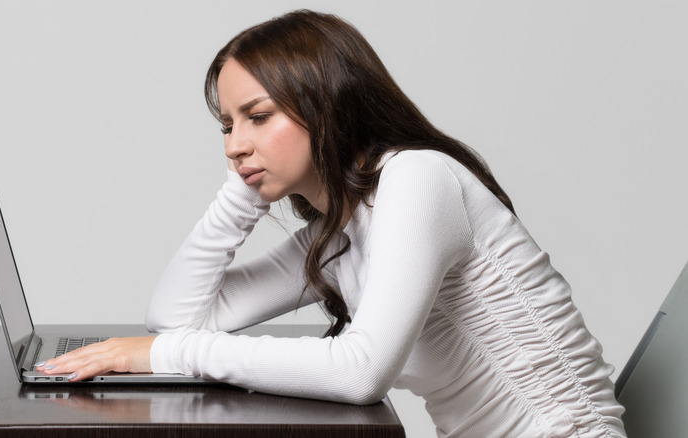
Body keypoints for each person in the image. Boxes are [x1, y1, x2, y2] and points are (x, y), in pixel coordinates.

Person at [37, 9, 627, 437]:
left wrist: (169, 356)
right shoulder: (342, 228)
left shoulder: (416, 180)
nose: (235, 145)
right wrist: (241, 198)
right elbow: (176, 320)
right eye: (226, 126)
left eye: (257, 117)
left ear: (327, 104)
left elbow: (360, 372)